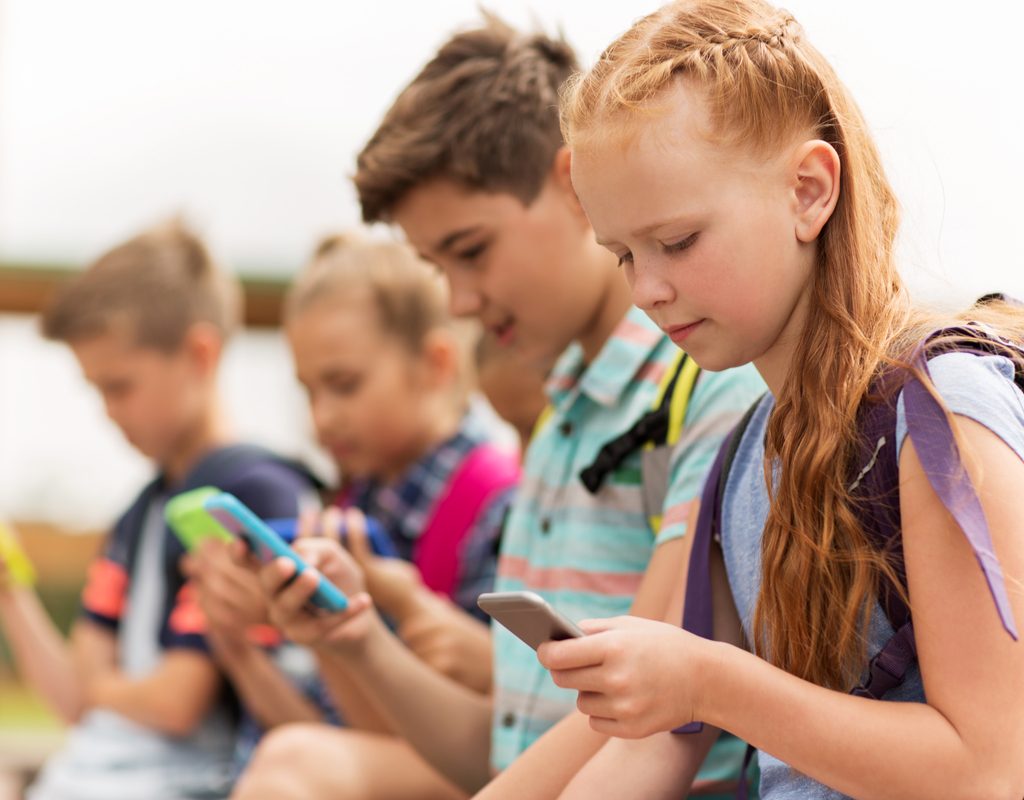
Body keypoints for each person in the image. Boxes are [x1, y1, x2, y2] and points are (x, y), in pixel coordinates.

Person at [238, 14, 766, 800]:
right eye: (434, 264)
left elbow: (651, 741)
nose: (456, 297)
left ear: (573, 184)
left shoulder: (705, 385)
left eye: (472, 251)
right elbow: (507, 755)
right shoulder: (559, 420)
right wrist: (355, 641)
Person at [534, 2, 1024, 797]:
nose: (648, 291)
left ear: (808, 191)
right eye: (622, 254)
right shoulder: (740, 458)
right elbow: (660, 744)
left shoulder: (938, 412)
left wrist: (709, 681)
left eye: (679, 241)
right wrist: (688, 685)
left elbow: (988, 769)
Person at [9, 220, 315, 800]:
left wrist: (99, 683)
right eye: (96, 389)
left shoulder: (253, 496)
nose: (107, 411)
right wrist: (11, 592)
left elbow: (177, 702)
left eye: (121, 386)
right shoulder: (136, 514)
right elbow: (75, 697)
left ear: (199, 354)